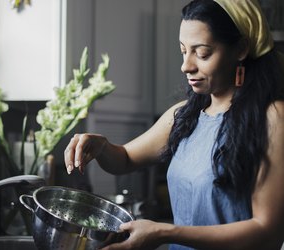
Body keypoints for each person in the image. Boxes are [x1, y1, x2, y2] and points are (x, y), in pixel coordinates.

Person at [64, 0, 284, 249]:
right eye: (183, 50)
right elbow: (124, 158)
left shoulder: (272, 118)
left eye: (202, 53)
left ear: (241, 49)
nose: (186, 66)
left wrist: (165, 232)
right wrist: (101, 146)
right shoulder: (184, 115)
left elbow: (267, 231)